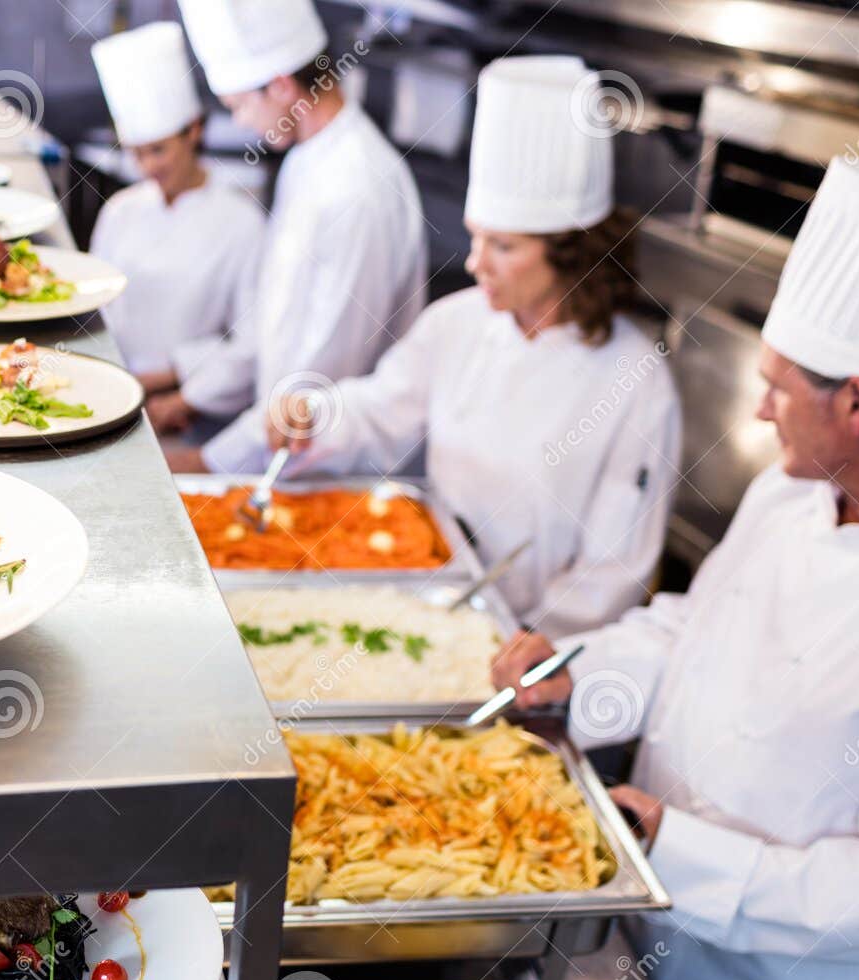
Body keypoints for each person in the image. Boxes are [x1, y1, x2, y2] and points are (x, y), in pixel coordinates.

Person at [493, 156, 859, 980]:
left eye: (780, 386)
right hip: (647, 949)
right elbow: (685, 629)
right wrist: (573, 676)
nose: (760, 405)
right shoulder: (791, 493)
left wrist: (681, 848)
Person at [269, 57, 681, 637]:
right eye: (475, 237)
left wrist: (522, 645)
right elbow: (381, 407)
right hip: (423, 601)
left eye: (504, 247)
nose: (473, 263)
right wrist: (314, 415)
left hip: (529, 649)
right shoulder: (456, 324)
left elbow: (612, 573)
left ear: (571, 253)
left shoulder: (635, 381)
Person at [165, 0, 425, 469]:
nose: (241, 122)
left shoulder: (356, 190)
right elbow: (276, 328)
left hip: (329, 470)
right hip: (276, 449)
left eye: (239, 105)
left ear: (282, 87)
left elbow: (317, 387)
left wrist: (207, 463)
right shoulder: (307, 159)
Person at [88, 21, 266, 425]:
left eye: (158, 150)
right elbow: (96, 311)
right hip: (112, 392)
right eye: (136, 153)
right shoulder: (120, 209)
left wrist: (179, 395)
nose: (147, 166)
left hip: (190, 409)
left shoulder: (241, 223)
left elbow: (251, 344)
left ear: (194, 130)